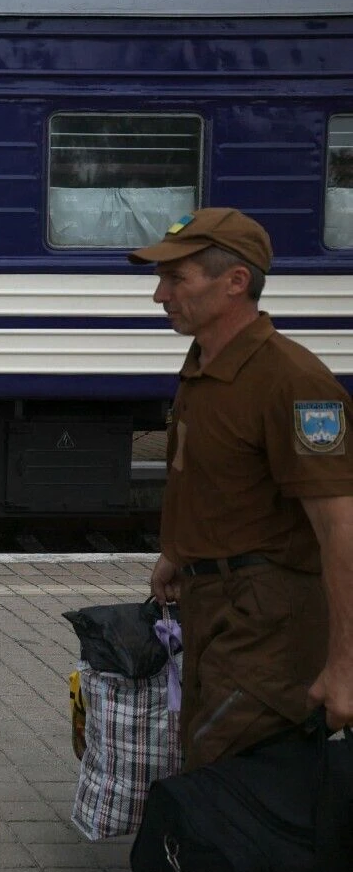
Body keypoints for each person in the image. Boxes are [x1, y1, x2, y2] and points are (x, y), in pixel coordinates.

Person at [130, 208, 353, 766]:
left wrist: (344, 666)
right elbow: (211, 477)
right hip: (212, 602)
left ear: (234, 282)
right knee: (209, 765)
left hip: (268, 616)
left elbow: (340, 530)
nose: (160, 295)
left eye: (176, 279)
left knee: (225, 769)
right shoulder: (205, 367)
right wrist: (179, 552)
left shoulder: (294, 381)